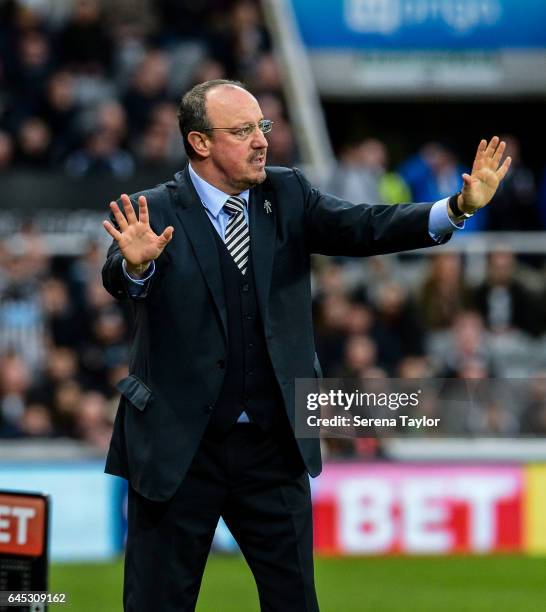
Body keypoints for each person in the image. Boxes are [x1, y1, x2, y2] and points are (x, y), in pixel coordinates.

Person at [101, 79, 511, 611]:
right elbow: (119, 277)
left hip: (274, 449)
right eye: (243, 130)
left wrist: (455, 207)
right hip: (180, 451)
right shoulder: (151, 211)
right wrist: (138, 266)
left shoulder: (287, 192)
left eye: (263, 127)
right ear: (200, 143)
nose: (261, 140)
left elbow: (366, 226)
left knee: (296, 603)